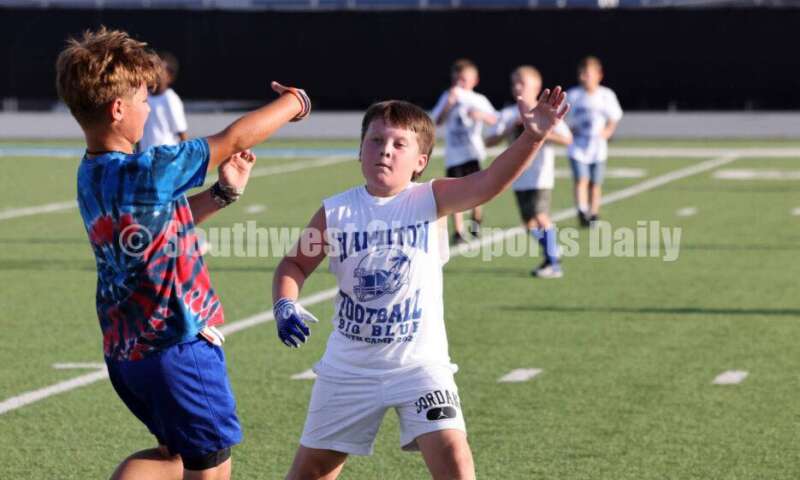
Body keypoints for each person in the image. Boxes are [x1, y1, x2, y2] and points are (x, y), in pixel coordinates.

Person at [272, 88, 568, 479]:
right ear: (360, 151)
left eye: (399, 144)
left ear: (420, 161)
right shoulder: (336, 211)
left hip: (419, 366)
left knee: (455, 459)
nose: (385, 150)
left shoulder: (431, 198)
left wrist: (533, 136)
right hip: (349, 368)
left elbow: (490, 181)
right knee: (311, 472)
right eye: (375, 141)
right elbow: (294, 263)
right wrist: (285, 304)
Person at [56, 27, 310, 480]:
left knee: (173, 456)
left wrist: (222, 195)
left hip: (126, 354)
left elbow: (157, 227)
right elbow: (232, 139)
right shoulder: (150, 169)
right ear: (117, 110)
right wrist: (295, 103)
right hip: (178, 347)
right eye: (141, 100)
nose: (148, 107)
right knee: (210, 465)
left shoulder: (91, 173)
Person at [486, 66, 572, 278]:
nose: (517, 87)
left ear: (537, 86)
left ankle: (554, 264)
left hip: (540, 175)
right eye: (514, 82)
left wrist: (540, 131)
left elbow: (567, 139)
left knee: (541, 216)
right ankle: (551, 249)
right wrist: (508, 128)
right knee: (528, 224)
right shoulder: (508, 114)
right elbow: (488, 141)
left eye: (522, 82)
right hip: (517, 177)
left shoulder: (545, 111)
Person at [430, 59, 497, 244]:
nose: (461, 82)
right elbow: (436, 121)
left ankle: (475, 223)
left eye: (465, 78)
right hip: (454, 154)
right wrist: (448, 105)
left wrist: (481, 115)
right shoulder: (449, 96)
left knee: (477, 191)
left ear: (474, 80)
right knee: (454, 192)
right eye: (458, 78)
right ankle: (458, 231)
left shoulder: (478, 99)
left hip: (472, 152)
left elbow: (496, 119)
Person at [565, 56, 623, 226]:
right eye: (581, 74)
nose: (584, 77)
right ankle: (582, 210)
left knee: (595, 183)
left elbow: (615, 116)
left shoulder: (606, 95)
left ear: (599, 75)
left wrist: (608, 131)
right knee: (581, 179)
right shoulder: (573, 95)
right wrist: (568, 129)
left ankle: (594, 212)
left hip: (597, 147)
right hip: (577, 146)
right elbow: (560, 118)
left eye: (588, 74)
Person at [139, 51, 188, 150]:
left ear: (169, 76)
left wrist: (186, 160)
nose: (156, 74)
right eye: (153, 69)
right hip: (146, 157)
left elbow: (181, 133)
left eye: (160, 70)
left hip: (166, 158)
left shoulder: (171, 99)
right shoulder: (143, 96)